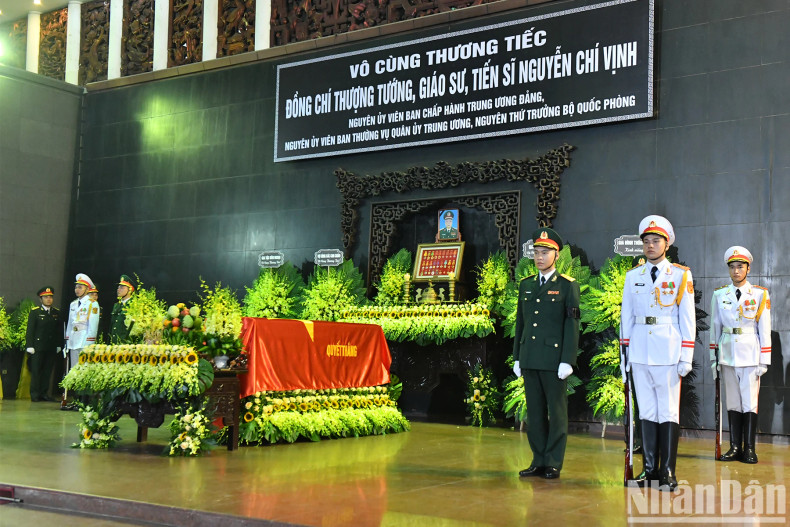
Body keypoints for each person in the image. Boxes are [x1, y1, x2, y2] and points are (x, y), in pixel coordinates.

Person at [620, 215, 695, 492]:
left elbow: (687, 318)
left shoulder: (679, 275)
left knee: (668, 411)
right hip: (639, 349)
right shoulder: (633, 277)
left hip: (668, 351)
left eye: (656, 241)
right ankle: (649, 470)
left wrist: (686, 355)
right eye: (647, 241)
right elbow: (625, 317)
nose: (650, 246)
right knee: (647, 411)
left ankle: (668, 472)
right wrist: (624, 356)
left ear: (667, 244)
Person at [513, 227, 580, 480]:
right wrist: (517, 356)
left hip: (554, 361)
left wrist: (567, 360)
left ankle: (553, 461)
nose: (539, 257)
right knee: (535, 413)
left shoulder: (566, 286)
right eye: (536, 253)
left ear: (556, 255)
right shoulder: (526, 285)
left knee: (557, 412)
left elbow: (571, 325)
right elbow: (520, 322)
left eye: (545, 253)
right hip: (530, 357)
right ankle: (538, 459)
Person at [710, 246, 770, 464]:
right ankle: (735, 447)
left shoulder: (759, 294)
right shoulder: (719, 294)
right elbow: (714, 327)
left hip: (750, 355)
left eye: (740, 266)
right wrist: (713, 359)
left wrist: (764, 360)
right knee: (733, 402)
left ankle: (750, 449)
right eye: (732, 267)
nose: (736, 271)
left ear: (748, 268)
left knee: (749, 403)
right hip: (727, 354)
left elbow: (764, 329)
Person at [63, 274, 100, 408]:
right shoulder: (73, 304)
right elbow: (69, 324)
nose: (77, 290)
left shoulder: (92, 304)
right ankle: (77, 399)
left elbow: (93, 325)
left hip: (84, 341)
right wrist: (67, 342)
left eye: (80, 287)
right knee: (75, 371)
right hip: (73, 341)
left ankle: (85, 400)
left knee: (84, 371)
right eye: (76, 287)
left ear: (87, 289)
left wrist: (89, 343)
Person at [25, 287, 62, 402]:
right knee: (36, 371)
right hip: (38, 347)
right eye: (46, 297)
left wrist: (59, 344)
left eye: (50, 297)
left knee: (47, 371)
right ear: (41, 299)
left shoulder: (56, 312)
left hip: (50, 347)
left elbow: (58, 331)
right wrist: (29, 345)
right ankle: (35, 394)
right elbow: (30, 330)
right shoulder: (35, 312)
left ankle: (44, 393)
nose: (49, 299)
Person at [109, 274, 135, 343]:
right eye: (118, 287)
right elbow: (112, 326)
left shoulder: (134, 305)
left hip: (126, 344)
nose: (118, 290)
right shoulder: (116, 305)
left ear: (130, 290)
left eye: (122, 288)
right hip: (114, 343)